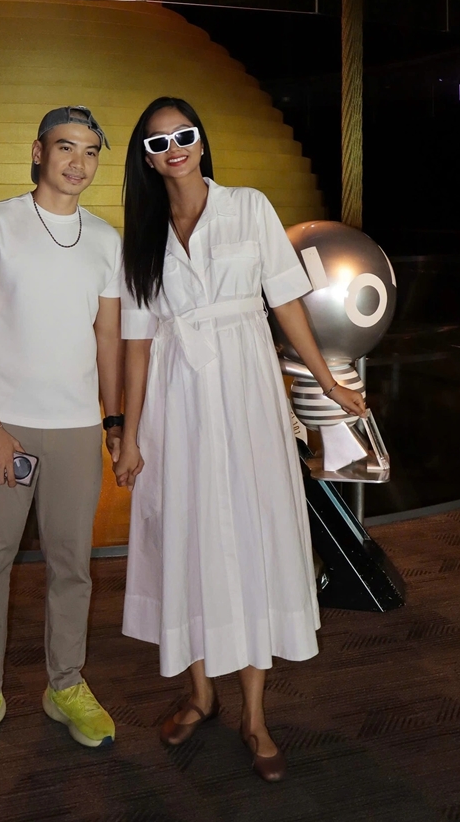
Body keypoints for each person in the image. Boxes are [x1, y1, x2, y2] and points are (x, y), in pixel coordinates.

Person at [114, 97, 366, 782]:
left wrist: (327, 381)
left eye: (184, 135)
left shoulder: (249, 207)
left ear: (202, 141)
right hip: (175, 403)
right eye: (158, 142)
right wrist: (129, 435)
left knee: (252, 535)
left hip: (246, 394)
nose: (174, 148)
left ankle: (255, 715)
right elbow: (137, 345)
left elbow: (286, 301)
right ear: (146, 159)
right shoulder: (142, 235)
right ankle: (201, 693)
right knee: (187, 536)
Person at [0, 106, 124, 760]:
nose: (79, 162)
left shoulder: (105, 240)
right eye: (66, 147)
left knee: (72, 567)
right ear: (38, 151)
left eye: (91, 151)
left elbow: (108, 337)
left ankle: (65, 684)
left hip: (75, 428)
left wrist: (113, 421)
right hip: (3, 428)